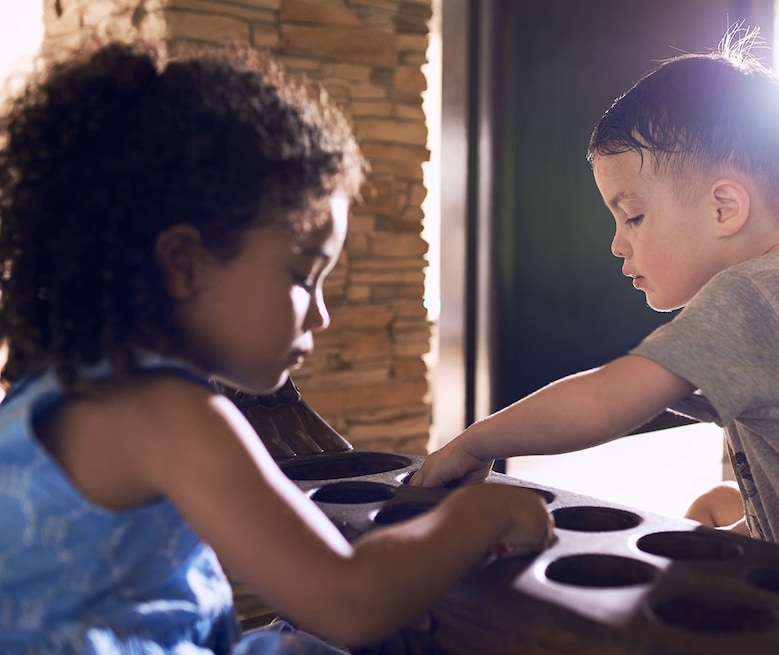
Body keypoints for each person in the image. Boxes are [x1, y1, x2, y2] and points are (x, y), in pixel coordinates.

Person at [0, 41, 553, 654]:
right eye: (302, 276)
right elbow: (349, 601)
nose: (321, 314)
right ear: (184, 263)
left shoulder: (60, 387)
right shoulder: (167, 413)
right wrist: (478, 518)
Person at [411, 32, 779, 599]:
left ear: (724, 208)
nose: (617, 243)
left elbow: (605, 400)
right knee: (716, 507)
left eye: (633, 216)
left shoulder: (761, 293)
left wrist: (470, 444)